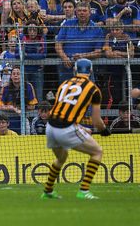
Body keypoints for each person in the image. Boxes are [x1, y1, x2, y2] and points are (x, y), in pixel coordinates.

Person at [41, 59, 111, 200]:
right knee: (97, 152)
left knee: (61, 158)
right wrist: (104, 130)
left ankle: (47, 191)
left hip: (50, 127)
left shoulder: (64, 84)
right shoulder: (93, 89)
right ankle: (83, 191)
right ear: (90, 71)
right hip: (66, 129)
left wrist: (80, 127)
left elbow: (62, 111)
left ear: (74, 70)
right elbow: (97, 121)